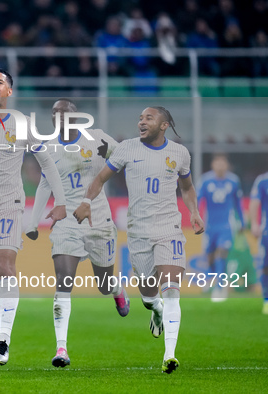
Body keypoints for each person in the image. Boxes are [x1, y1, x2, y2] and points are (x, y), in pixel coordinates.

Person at [73, 107, 205, 374]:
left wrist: (194, 212)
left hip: (169, 228)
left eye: (149, 118)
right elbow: (99, 179)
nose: (141, 122)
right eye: (140, 118)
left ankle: (170, 354)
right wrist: (87, 201)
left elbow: (187, 187)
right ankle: (154, 312)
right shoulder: (126, 149)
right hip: (138, 231)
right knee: (149, 297)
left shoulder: (179, 154)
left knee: (171, 291)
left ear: (164, 125)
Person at [0, 69, 67, 365]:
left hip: (9, 203)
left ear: (8, 92)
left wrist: (60, 202)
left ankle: (3, 341)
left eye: (0, 82)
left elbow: (46, 162)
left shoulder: (22, 124)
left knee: (7, 264)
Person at [26, 99, 130, 368]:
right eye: (54, 113)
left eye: (65, 113)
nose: (59, 117)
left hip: (99, 219)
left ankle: (116, 289)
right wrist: (33, 221)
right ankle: (61, 348)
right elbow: (44, 186)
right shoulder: (48, 148)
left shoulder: (96, 139)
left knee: (104, 284)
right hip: (65, 220)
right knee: (64, 279)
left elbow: (122, 159)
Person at [197, 154, 244, 302]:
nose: (220, 166)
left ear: (226, 165)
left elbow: (238, 203)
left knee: (221, 254)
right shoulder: (205, 181)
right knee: (210, 256)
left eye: (223, 163)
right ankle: (212, 278)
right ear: (213, 165)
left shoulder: (233, 181)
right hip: (210, 225)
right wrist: (195, 217)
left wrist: (241, 221)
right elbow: (198, 200)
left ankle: (220, 287)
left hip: (226, 225)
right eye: (217, 163)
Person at [250, 171, 268, 314]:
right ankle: (266, 301)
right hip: (266, 232)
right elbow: (254, 203)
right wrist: (254, 224)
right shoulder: (262, 180)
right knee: (265, 267)